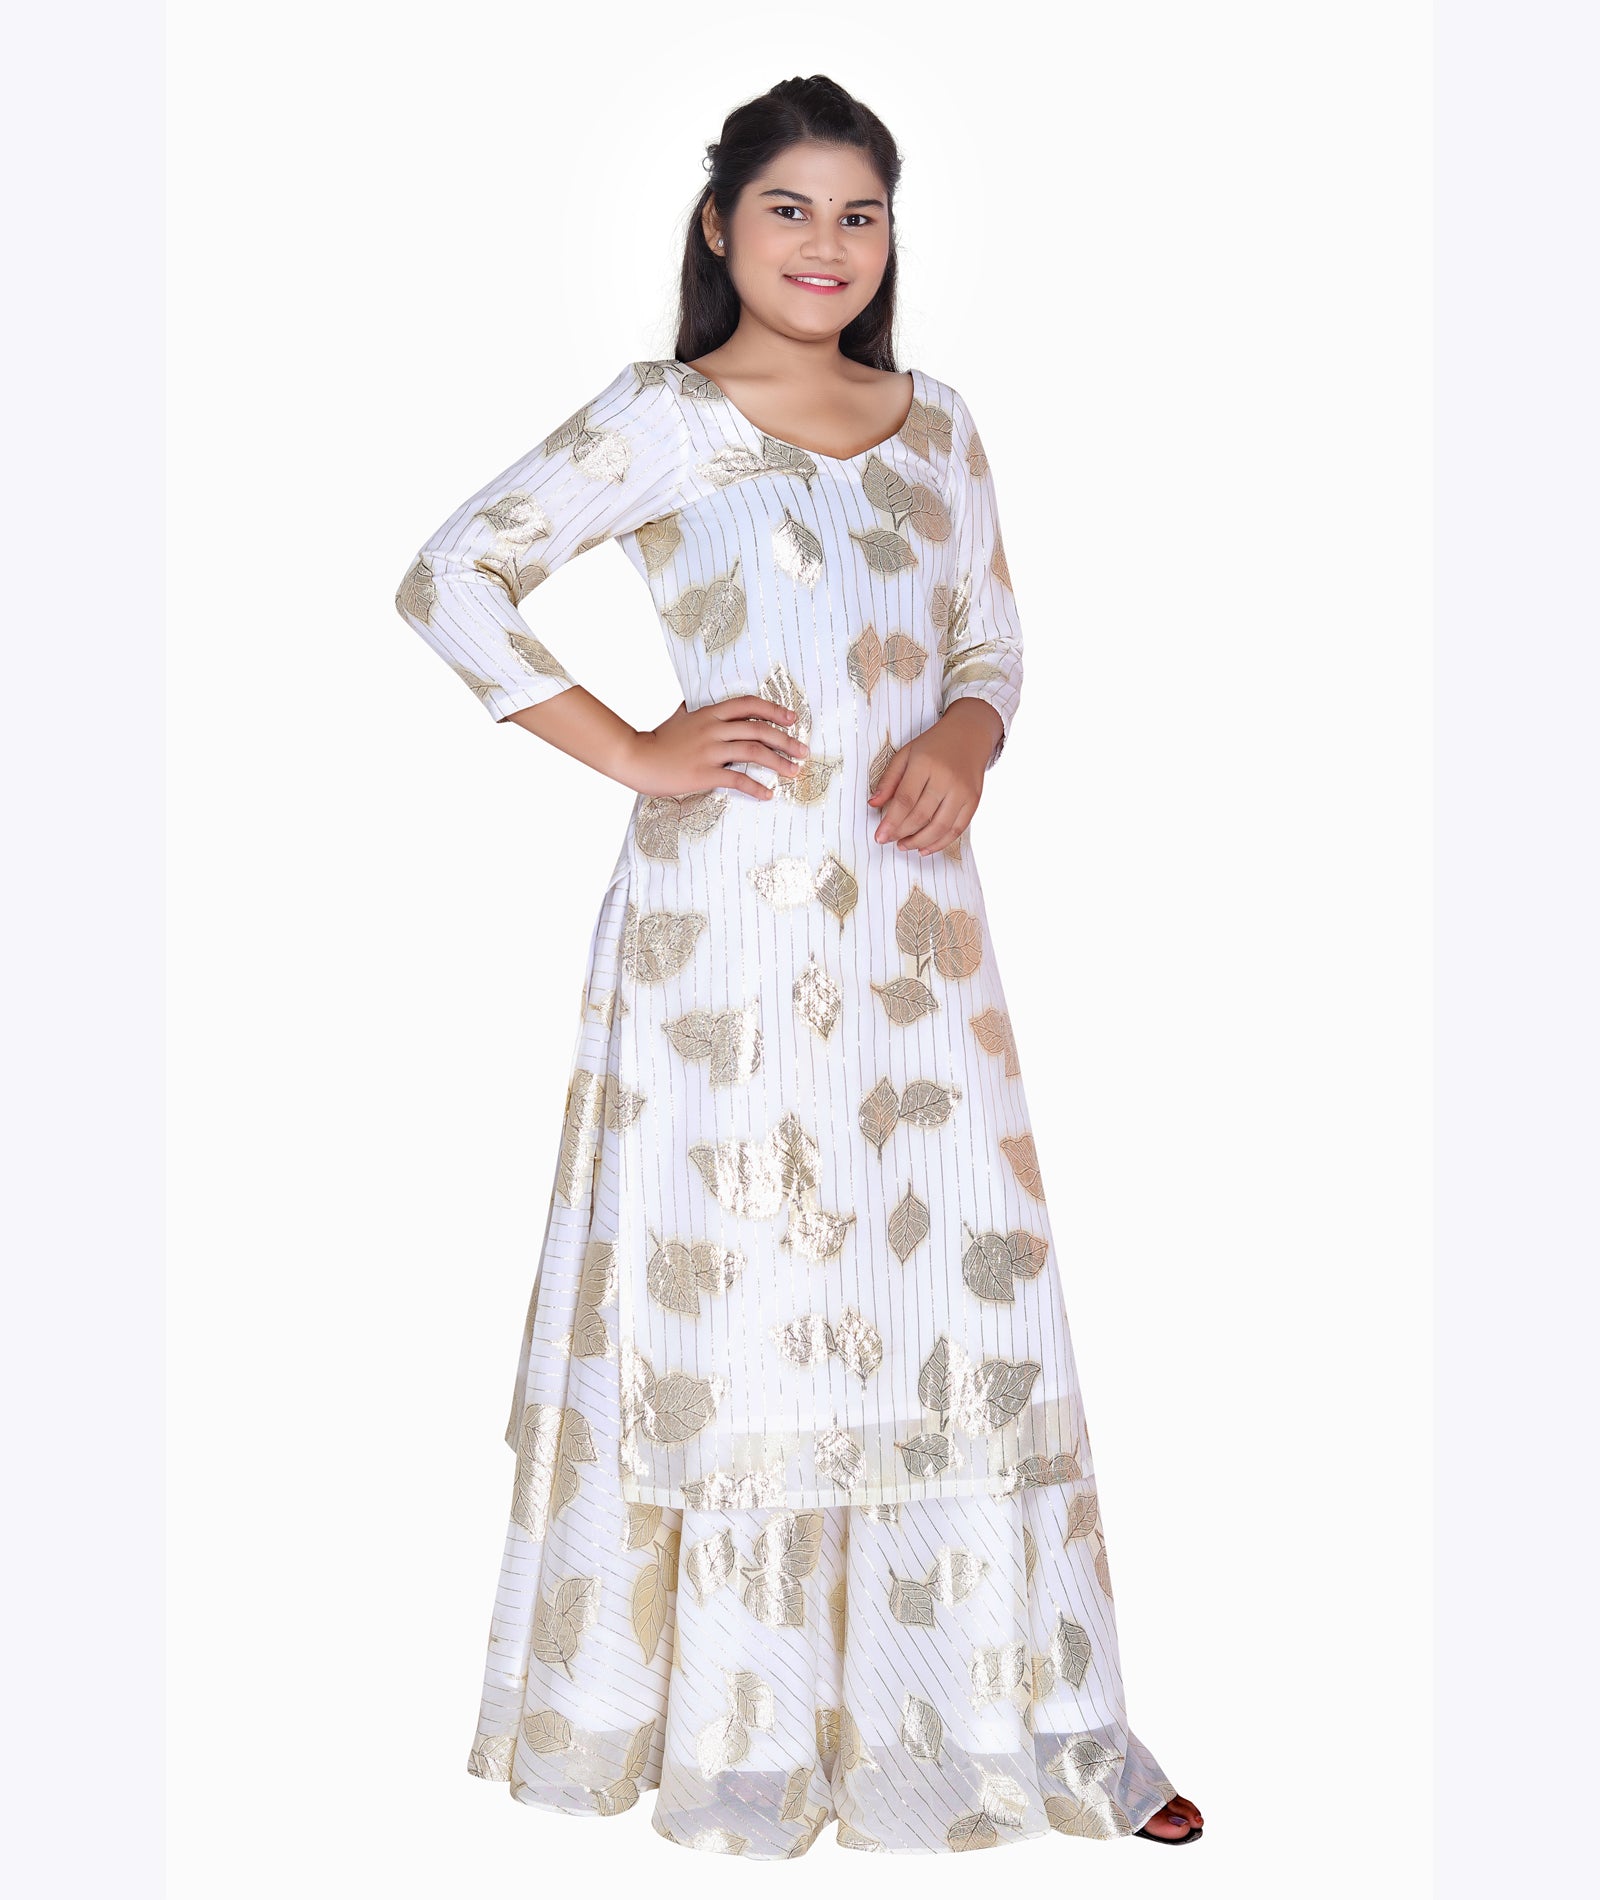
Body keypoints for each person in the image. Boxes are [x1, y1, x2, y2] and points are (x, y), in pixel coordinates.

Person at [394, 72, 1203, 1858]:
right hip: (728, 937)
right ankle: (741, 1740)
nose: (827, 244)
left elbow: (988, 638)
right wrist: (636, 748)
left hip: (917, 932)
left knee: (962, 1297)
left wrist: (970, 740)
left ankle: (1035, 1726)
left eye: (860, 214)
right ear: (720, 226)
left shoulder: (938, 424)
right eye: (789, 208)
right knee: (747, 1293)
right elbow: (452, 578)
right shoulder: (665, 419)